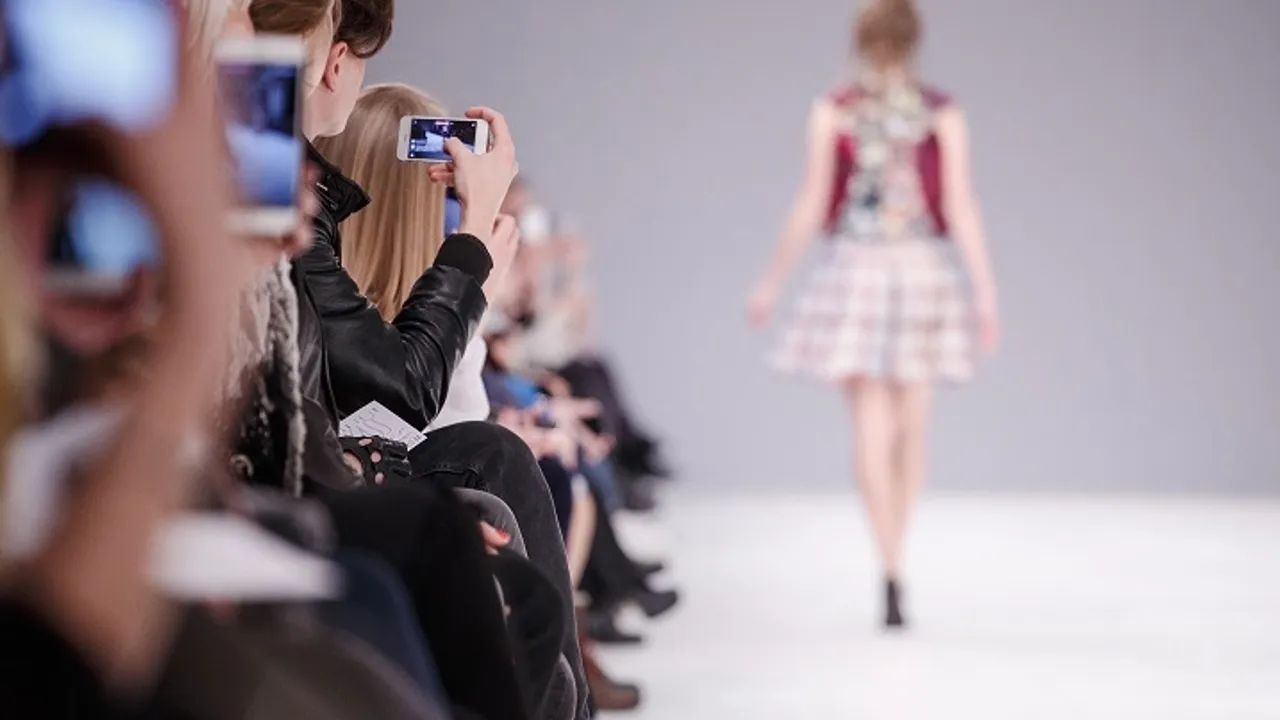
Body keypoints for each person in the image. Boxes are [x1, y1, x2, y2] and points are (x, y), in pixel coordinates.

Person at [748, 0, 1000, 629]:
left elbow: (812, 202)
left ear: (859, 40)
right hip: (920, 270)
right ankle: (897, 559)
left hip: (857, 270)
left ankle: (886, 564)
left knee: (870, 426)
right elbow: (960, 205)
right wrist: (985, 293)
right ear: (915, 40)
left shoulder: (835, 109)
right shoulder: (940, 111)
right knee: (913, 427)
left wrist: (772, 282)